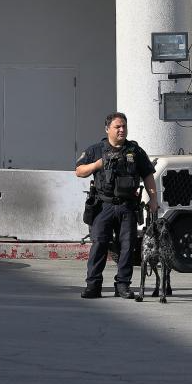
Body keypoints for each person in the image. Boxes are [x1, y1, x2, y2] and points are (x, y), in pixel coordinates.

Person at [75, 112, 158, 299]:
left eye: (124, 127)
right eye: (117, 127)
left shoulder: (135, 151)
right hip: (102, 205)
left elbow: (148, 176)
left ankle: (123, 286)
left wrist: (153, 199)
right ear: (107, 129)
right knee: (99, 245)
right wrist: (97, 165)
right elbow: (79, 171)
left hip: (127, 206)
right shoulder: (96, 150)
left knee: (127, 247)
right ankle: (93, 285)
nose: (122, 130)